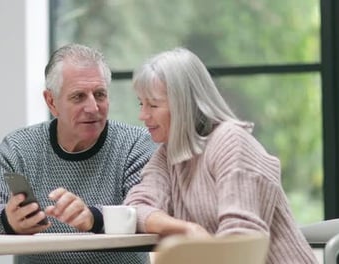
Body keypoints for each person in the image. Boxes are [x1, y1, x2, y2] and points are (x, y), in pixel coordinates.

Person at [0, 43, 156, 264]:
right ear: (51, 102)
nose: (93, 107)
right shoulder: (19, 147)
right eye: (79, 97)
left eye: (100, 94)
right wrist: (7, 220)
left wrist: (92, 217)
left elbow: (145, 212)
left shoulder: (136, 143)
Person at [123, 47, 318, 263]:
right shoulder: (168, 155)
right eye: (142, 103)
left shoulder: (231, 142)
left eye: (153, 104)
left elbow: (241, 240)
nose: (143, 115)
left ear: (184, 104)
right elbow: (134, 209)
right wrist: (187, 229)